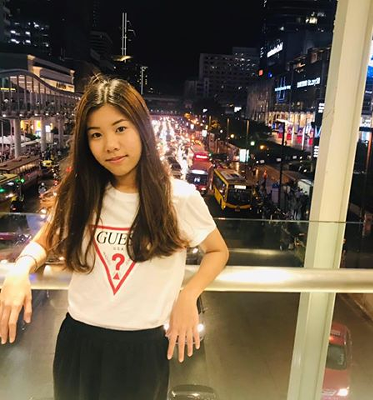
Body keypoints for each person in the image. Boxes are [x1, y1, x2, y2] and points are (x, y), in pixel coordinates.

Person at [0, 76, 229, 400]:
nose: (110, 144)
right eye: (96, 134)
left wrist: (188, 295)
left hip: (143, 349)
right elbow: (44, 240)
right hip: (78, 343)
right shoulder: (83, 193)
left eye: (120, 128)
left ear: (142, 129)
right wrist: (20, 270)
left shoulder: (178, 198)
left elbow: (217, 251)